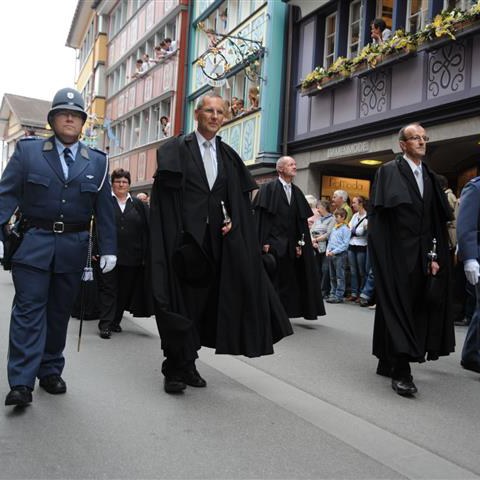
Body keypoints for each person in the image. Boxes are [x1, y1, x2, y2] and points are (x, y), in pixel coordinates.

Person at [149, 92, 292, 394]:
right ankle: (174, 366)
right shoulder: (176, 150)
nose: (215, 116)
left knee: (204, 307)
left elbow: (234, 201)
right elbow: (164, 203)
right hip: (183, 246)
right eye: (209, 111)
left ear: (225, 118)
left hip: (216, 247)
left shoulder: (227, 156)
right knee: (179, 304)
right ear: (197, 114)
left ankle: (189, 361)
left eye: (220, 112)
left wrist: (231, 222)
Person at [0, 87, 116, 407]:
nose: (69, 118)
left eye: (76, 115)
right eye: (63, 113)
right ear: (52, 120)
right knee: (28, 312)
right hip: (33, 245)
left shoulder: (98, 162)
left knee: (59, 313)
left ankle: (50, 369)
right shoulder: (29, 153)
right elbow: (5, 196)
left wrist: (109, 248)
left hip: (74, 248)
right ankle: (21, 382)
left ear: (82, 123)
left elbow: (104, 210)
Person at [369, 123, 454, 397]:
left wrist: (435, 256)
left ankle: (387, 357)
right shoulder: (388, 172)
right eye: (415, 138)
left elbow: (433, 222)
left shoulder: (429, 176)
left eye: (424, 138)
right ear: (402, 144)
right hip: (395, 256)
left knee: (414, 307)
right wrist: (382, 259)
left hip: (422, 256)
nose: (421, 142)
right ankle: (401, 370)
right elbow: (381, 221)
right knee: (398, 306)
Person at [253, 156, 326, 320]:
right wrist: (263, 241)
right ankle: (268, 313)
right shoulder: (268, 189)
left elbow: (298, 223)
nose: (295, 166)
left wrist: (300, 243)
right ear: (280, 169)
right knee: (272, 280)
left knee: (288, 281)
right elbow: (262, 219)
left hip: (291, 247)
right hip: (272, 245)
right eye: (290, 164)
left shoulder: (297, 192)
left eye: (295, 164)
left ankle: (283, 314)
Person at [97, 169, 151, 339]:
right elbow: (95, 226)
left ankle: (115, 321)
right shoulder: (105, 202)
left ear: (129, 185)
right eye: (118, 181)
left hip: (132, 257)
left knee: (124, 291)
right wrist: (94, 249)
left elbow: (147, 229)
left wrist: (145, 254)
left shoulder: (139, 205)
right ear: (112, 184)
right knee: (109, 289)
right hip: (107, 254)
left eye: (124, 182)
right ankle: (105, 324)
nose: (121, 184)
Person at [456, 178, 480, 374]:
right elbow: (466, 225)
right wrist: (469, 258)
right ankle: (473, 353)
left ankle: (472, 352)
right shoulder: (476, 187)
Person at [325, 208, 351, 303]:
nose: (335, 219)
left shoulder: (346, 229)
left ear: (343, 217)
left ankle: (338, 295)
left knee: (340, 276)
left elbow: (345, 244)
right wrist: (328, 250)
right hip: (331, 254)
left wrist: (334, 251)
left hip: (340, 255)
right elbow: (331, 240)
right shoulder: (335, 227)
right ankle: (332, 293)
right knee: (332, 276)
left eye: (337, 217)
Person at [310, 199, 335, 298]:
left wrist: (316, 240)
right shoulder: (318, 219)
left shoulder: (332, 219)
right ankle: (317, 290)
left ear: (324, 207)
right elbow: (311, 230)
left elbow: (328, 233)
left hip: (326, 246)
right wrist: (313, 240)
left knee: (325, 269)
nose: (317, 210)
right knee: (316, 269)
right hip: (316, 246)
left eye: (319, 207)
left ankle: (324, 291)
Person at [346, 196, 368, 302]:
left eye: (354, 202)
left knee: (361, 272)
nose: (352, 205)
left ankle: (361, 293)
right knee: (353, 271)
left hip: (362, 246)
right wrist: (355, 230)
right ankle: (354, 293)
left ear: (361, 203)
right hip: (352, 245)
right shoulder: (355, 215)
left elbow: (361, 232)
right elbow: (348, 228)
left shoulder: (367, 216)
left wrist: (353, 230)